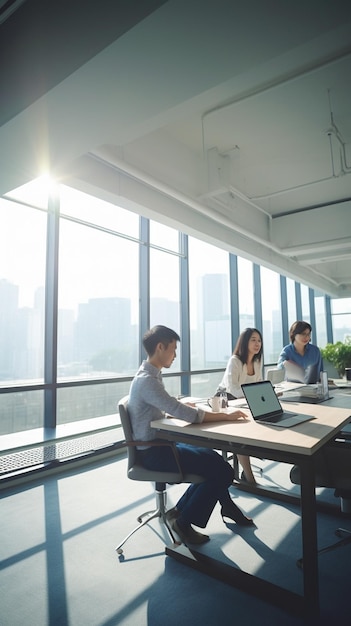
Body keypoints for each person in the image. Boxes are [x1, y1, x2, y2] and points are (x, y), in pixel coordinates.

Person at [127, 325, 254, 547]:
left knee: (215, 459)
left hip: (161, 445)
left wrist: (178, 405)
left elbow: (164, 407)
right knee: (223, 471)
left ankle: (181, 512)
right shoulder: (148, 380)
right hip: (155, 453)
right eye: (173, 349)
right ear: (160, 347)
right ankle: (184, 522)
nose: (175, 355)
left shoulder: (149, 376)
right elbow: (188, 416)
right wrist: (226, 416)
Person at [218, 328, 263, 484]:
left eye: (259, 340)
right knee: (241, 433)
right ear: (245, 342)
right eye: (253, 340)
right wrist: (253, 396)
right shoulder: (235, 361)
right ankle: (249, 477)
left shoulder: (257, 362)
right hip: (226, 400)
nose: (257, 343)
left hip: (245, 401)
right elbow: (232, 388)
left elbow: (258, 384)